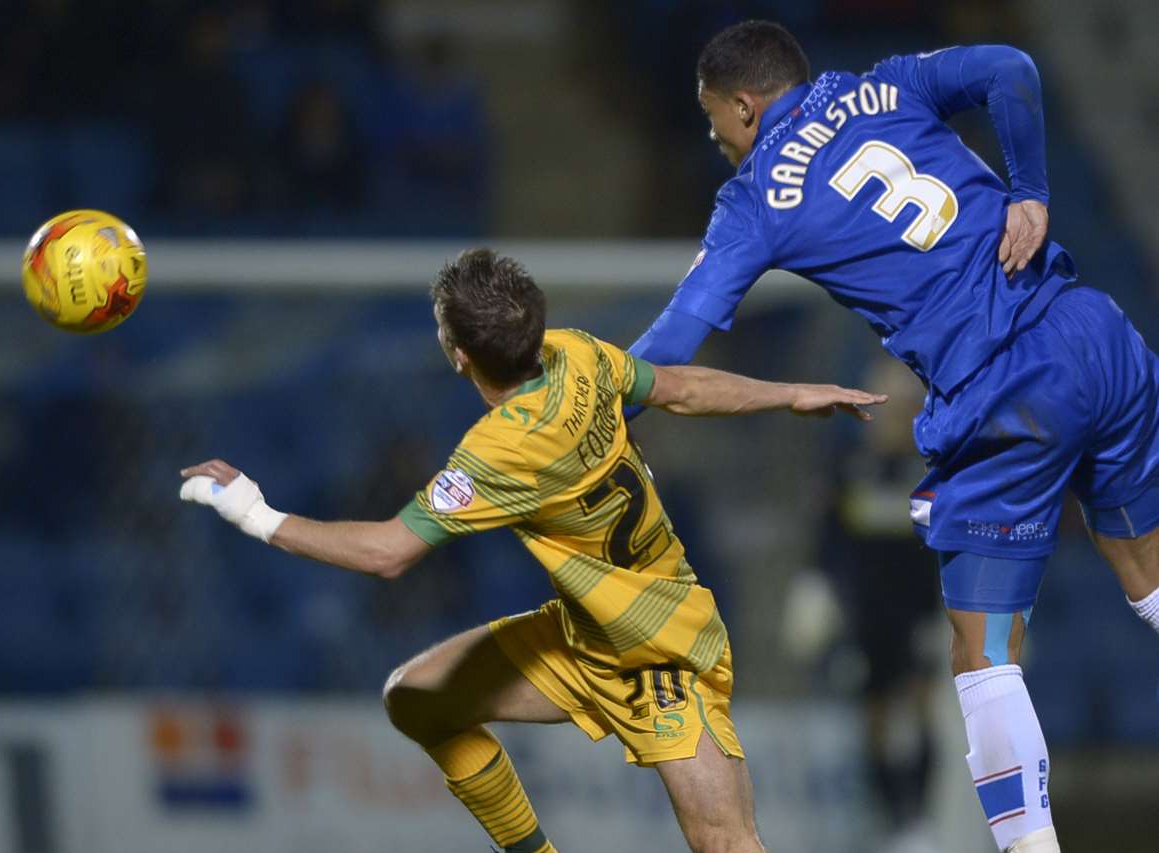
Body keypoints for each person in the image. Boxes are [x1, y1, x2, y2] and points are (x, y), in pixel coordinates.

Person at [627, 20, 1159, 853]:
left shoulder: (756, 196)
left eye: (712, 122)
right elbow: (1009, 66)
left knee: (982, 655)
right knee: (1146, 575)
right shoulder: (880, 83)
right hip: (1090, 330)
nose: (714, 140)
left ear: (743, 105)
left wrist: (587, 405)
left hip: (1003, 391)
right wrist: (1029, 189)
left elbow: (671, 340)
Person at [179, 248, 886, 853]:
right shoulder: (577, 353)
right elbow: (676, 386)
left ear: (458, 354)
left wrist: (255, 513)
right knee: (417, 698)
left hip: (655, 648)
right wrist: (790, 392)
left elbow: (387, 552)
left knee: (726, 842)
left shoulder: (498, 450)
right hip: (584, 633)